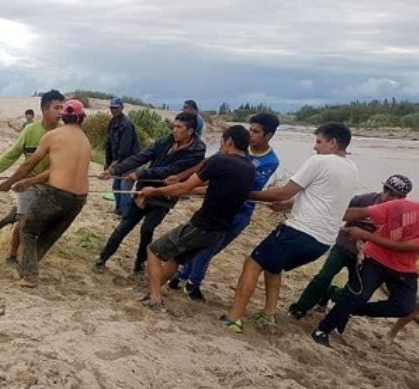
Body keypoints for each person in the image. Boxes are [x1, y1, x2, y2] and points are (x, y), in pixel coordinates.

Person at [221, 123, 359, 332]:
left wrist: (244, 193)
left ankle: (233, 318)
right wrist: (287, 205)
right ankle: (269, 315)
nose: (315, 147)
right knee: (273, 265)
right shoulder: (352, 168)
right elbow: (321, 198)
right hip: (323, 242)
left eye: (319, 142)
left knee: (253, 263)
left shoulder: (319, 161)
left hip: (300, 231)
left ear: (333, 143)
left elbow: (282, 192)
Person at [139, 125, 256, 309]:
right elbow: (210, 189)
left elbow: (184, 188)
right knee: (176, 259)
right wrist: (181, 185)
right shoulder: (249, 168)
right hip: (219, 231)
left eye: (222, 143)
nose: (221, 147)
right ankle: (153, 291)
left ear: (229, 141)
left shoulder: (220, 161)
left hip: (202, 225)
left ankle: (155, 297)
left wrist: (154, 191)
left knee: (153, 251)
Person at [169, 113, 280, 301]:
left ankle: (186, 277)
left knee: (210, 249)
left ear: (268, 135)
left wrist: (194, 188)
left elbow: (245, 187)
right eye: (250, 129)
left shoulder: (270, 161)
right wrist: (183, 179)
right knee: (202, 245)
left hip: (240, 211)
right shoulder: (235, 145)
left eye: (256, 131)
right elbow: (208, 164)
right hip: (216, 205)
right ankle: (188, 280)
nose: (250, 134)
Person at [93, 112, 206, 276]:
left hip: (165, 196)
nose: (174, 130)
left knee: (147, 229)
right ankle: (102, 258)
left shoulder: (197, 151)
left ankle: (139, 264)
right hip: (144, 191)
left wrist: (140, 174)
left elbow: (171, 170)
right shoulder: (165, 141)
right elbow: (141, 157)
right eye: (174, 126)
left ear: (190, 131)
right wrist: (114, 169)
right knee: (124, 225)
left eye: (179, 127)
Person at [288, 174, 412, 319]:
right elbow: (340, 208)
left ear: (402, 198)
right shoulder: (366, 199)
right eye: (386, 189)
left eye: (393, 195)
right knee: (323, 276)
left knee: (355, 290)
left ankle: (332, 295)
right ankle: (301, 307)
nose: (386, 195)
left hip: (367, 257)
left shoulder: (402, 215)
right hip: (344, 246)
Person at [0, 99, 91, 288]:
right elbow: (58, 169)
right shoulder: (85, 141)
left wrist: (9, 182)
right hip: (79, 200)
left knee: (28, 229)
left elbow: (28, 164)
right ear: (82, 118)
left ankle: (30, 276)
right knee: (48, 236)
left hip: (57, 194)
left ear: (64, 117)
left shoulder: (53, 135)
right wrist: (28, 182)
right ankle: (26, 271)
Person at [311, 197, 419, 347]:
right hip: (375, 257)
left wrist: (365, 235)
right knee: (358, 295)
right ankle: (322, 330)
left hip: (404, 267)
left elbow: (403, 247)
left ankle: (346, 307)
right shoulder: (402, 206)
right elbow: (360, 212)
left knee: (405, 306)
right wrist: (322, 214)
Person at [0, 90, 65, 266]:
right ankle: (12, 254)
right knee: (24, 222)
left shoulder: (64, 133)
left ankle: (15, 216)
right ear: (44, 109)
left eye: (62, 108)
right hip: (28, 183)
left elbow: (58, 167)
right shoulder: (30, 131)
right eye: (57, 107)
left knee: (40, 224)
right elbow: (12, 154)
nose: (61, 112)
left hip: (50, 185)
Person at [105, 97, 142, 217]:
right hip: (119, 161)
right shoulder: (112, 122)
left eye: (116, 107)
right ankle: (119, 209)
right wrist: (108, 161)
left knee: (124, 188)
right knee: (116, 186)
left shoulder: (127, 125)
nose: (113, 110)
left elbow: (125, 149)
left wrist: (116, 166)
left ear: (121, 108)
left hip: (130, 161)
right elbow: (109, 143)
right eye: (112, 107)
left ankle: (126, 214)